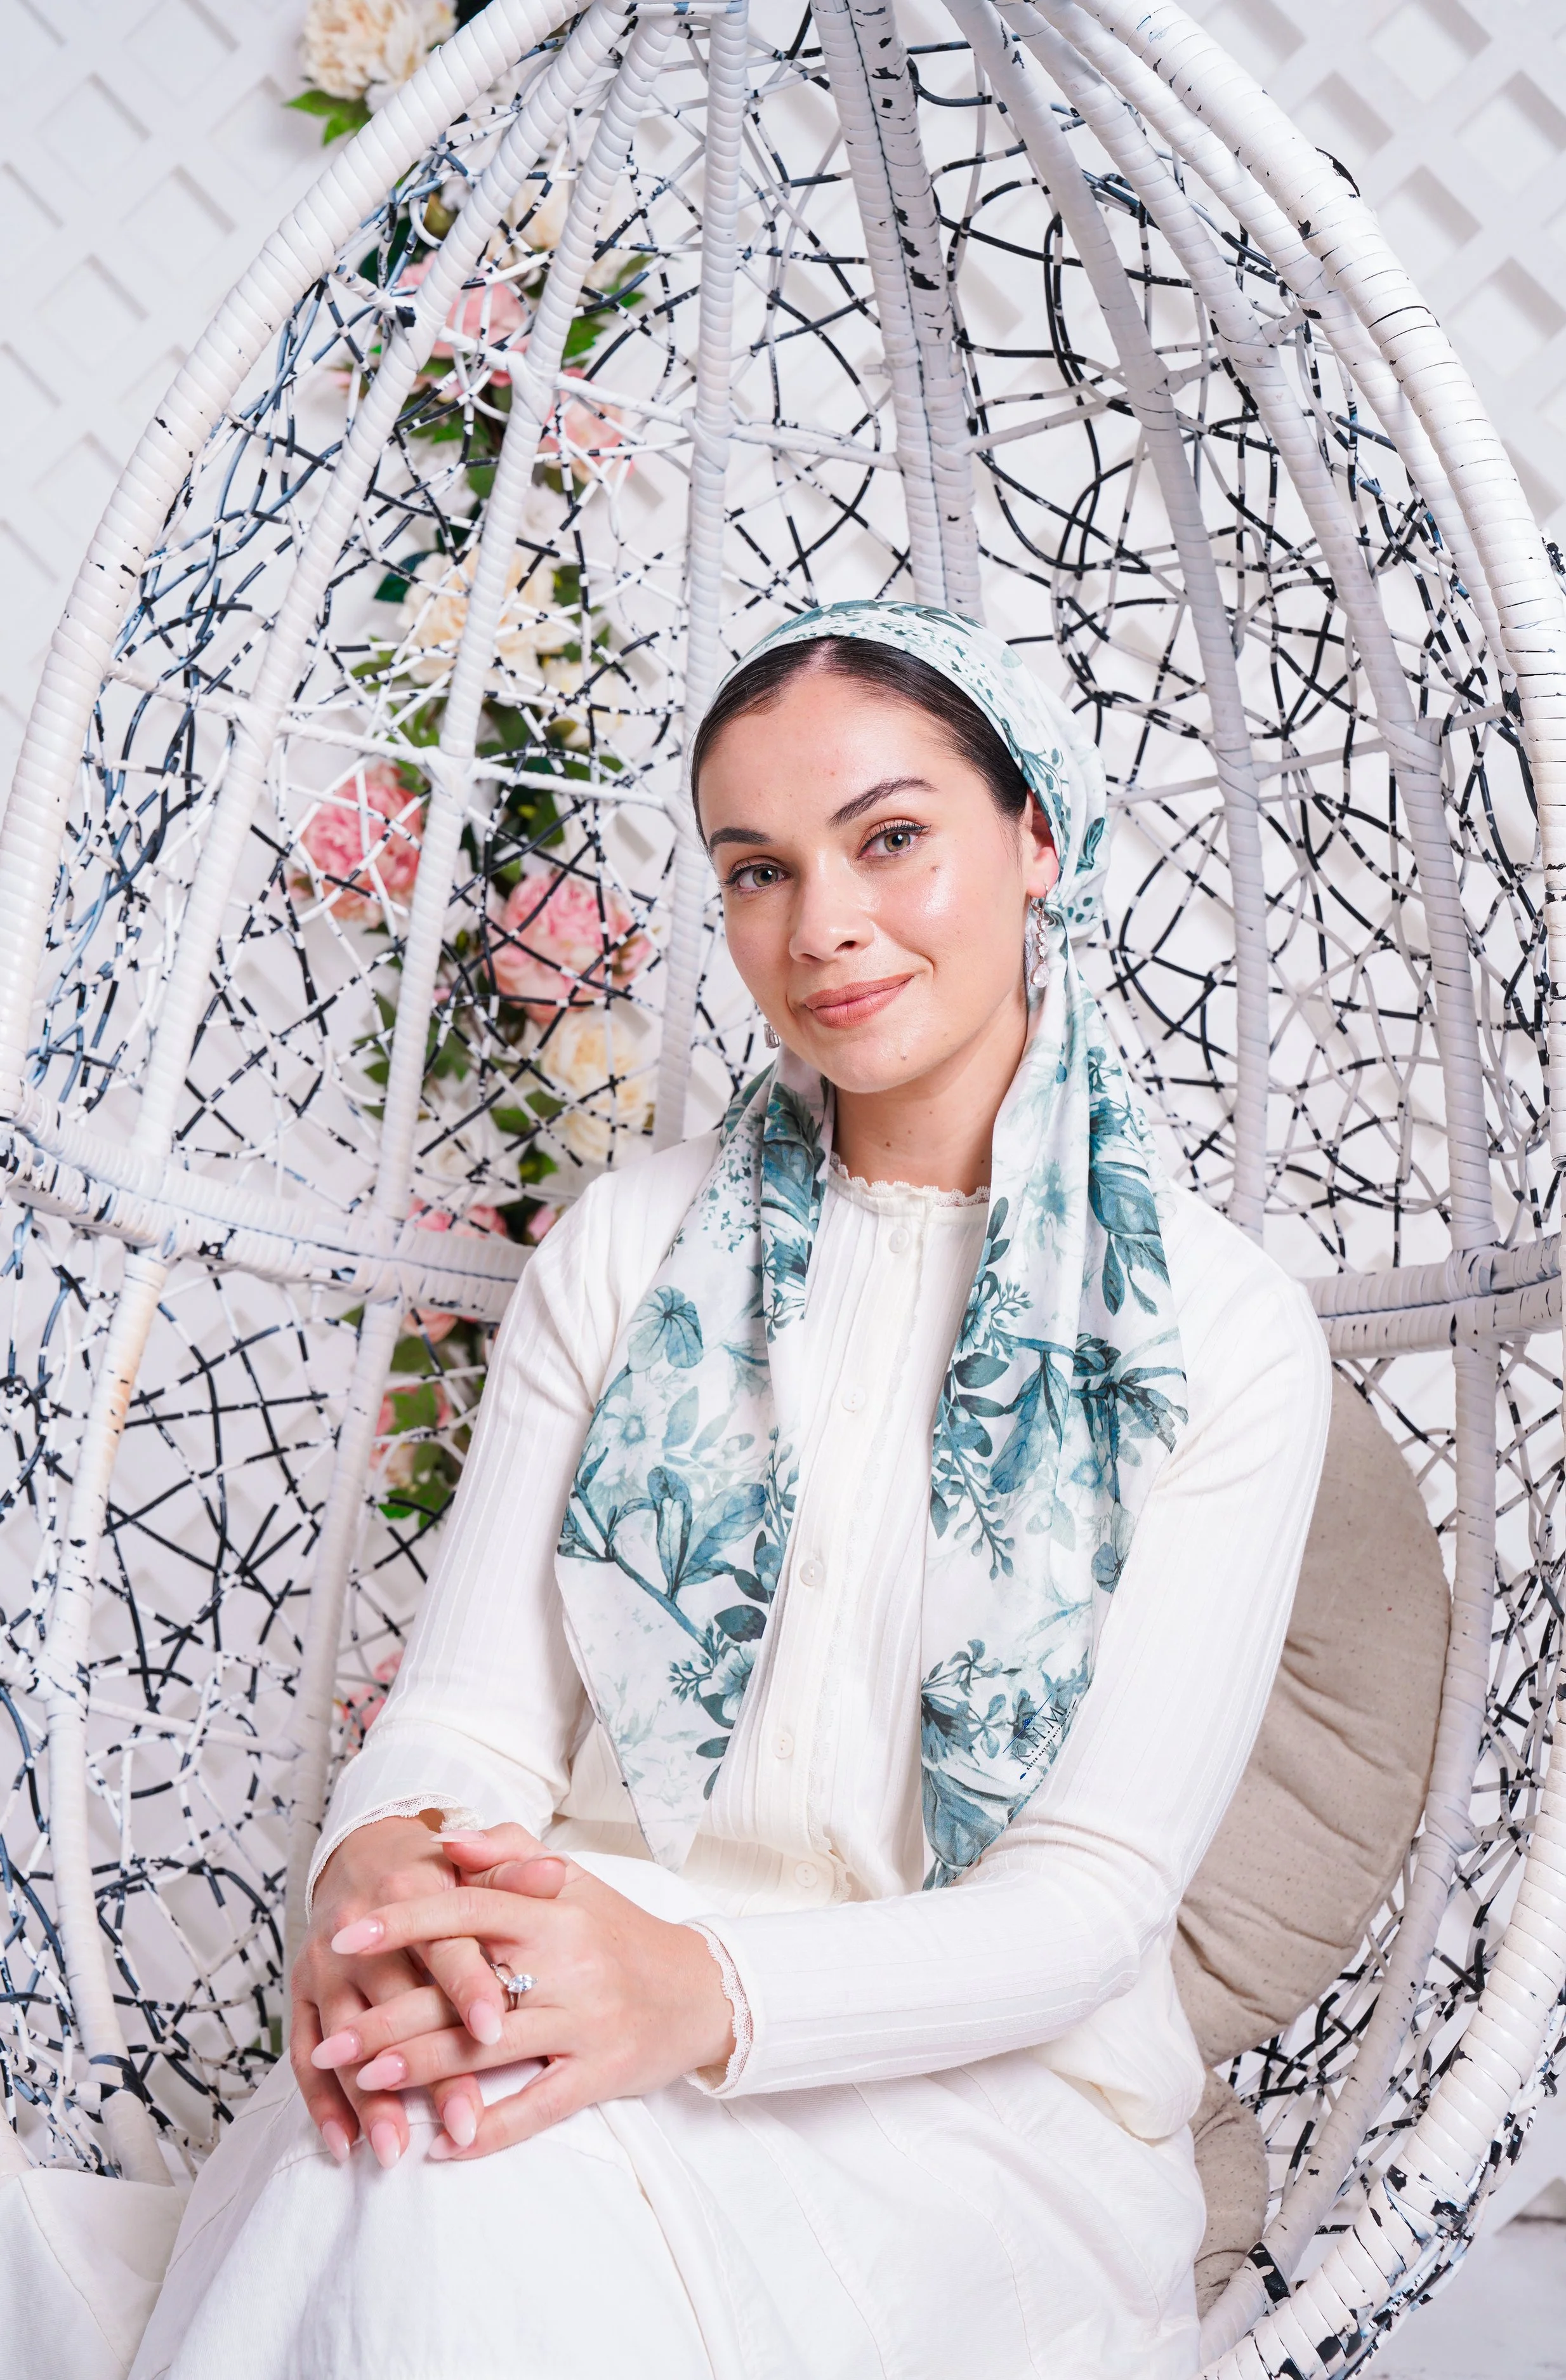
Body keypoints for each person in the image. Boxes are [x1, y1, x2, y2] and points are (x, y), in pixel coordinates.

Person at [129, 601, 1329, 2380]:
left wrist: (697, 1993)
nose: (819, 924)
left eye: (890, 838)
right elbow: (465, 1722)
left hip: (973, 2102)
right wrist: (381, 1891)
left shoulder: (1214, 1332)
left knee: (451, 2186)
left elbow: (1084, 1907)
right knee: (406, 2139)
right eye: (757, 870)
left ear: (1037, 838)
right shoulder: (630, 1244)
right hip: (562, 1978)